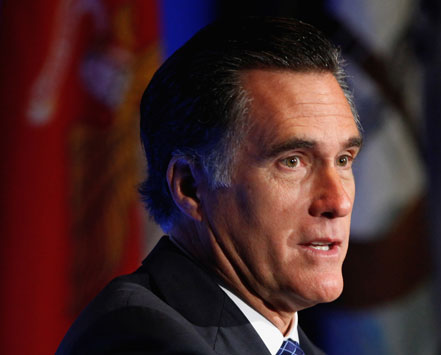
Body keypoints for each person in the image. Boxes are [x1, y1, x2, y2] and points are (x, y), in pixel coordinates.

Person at [57, 17, 362, 355]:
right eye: (292, 161)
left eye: (343, 160)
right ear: (191, 188)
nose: (339, 201)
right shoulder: (141, 341)